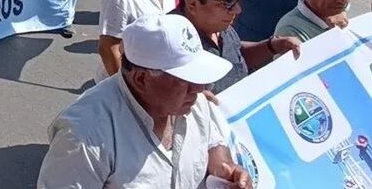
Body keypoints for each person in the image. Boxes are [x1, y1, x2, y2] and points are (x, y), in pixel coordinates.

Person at [39, 14, 252, 189]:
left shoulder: (196, 103)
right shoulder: (84, 135)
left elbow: (213, 141)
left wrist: (225, 167)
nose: (199, 89)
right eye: (187, 80)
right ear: (141, 79)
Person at [176, 0, 301, 94]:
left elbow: (236, 55)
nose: (237, 10)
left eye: (237, 0)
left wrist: (272, 46)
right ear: (192, 4)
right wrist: (191, 98)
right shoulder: (171, 45)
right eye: (227, 2)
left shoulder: (220, 26)